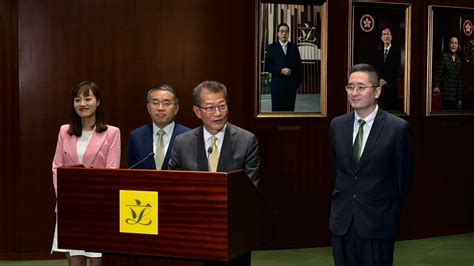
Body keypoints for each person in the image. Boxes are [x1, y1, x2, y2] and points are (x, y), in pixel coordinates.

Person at [329, 64, 414, 266]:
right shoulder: (337, 125)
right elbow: (338, 169)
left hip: (377, 224)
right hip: (342, 224)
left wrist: (385, 208)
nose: (354, 93)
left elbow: (404, 179)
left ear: (377, 91)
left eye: (361, 87)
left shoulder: (397, 129)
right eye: (350, 87)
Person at [169, 80, 260, 266]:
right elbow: (174, 186)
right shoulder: (182, 142)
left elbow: (251, 189)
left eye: (222, 106)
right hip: (194, 231)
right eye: (210, 108)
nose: (217, 113)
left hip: (233, 233)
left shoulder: (246, 140)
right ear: (197, 111)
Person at [52, 81, 121, 266]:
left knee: (98, 261)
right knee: (75, 263)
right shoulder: (64, 131)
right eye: (77, 99)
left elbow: (112, 171)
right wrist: (64, 197)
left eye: (88, 98)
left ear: (98, 102)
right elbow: (56, 167)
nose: (82, 103)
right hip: (70, 208)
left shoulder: (111, 133)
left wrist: (93, 199)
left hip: (98, 209)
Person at [127, 84, 190, 169]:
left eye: (166, 103)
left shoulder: (189, 137)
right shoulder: (136, 136)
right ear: (149, 108)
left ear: (176, 109)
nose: (160, 108)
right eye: (155, 103)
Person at [265, 23, 303, 111]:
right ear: (278, 33)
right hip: (277, 87)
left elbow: (299, 67)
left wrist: (296, 84)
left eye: (286, 32)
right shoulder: (271, 47)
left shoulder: (294, 48)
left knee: (290, 113)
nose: (284, 34)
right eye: (282, 31)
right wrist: (281, 71)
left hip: (291, 88)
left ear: (289, 33)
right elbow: (267, 66)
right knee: (276, 113)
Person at [374, 27, 402, 110]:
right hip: (380, 87)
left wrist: (385, 80)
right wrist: (380, 80)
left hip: (391, 86)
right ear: (382, 38)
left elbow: (395, 68)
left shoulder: (396, 51)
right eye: (384, 34)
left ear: (391, 37)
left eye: (388, 34)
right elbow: (376, 69)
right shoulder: (378, 53)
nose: (386, 36)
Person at [433, 36, 463, 110]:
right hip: (445, 96)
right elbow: (437, 75)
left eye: (455, 43)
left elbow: (459, 81)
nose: (453, 45)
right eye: (452, 43)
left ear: (458, 45)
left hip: (455, 97)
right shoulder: (444, 57)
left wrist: (459, 99)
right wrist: (436, 86)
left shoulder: (459, 60)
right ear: (449, 44)